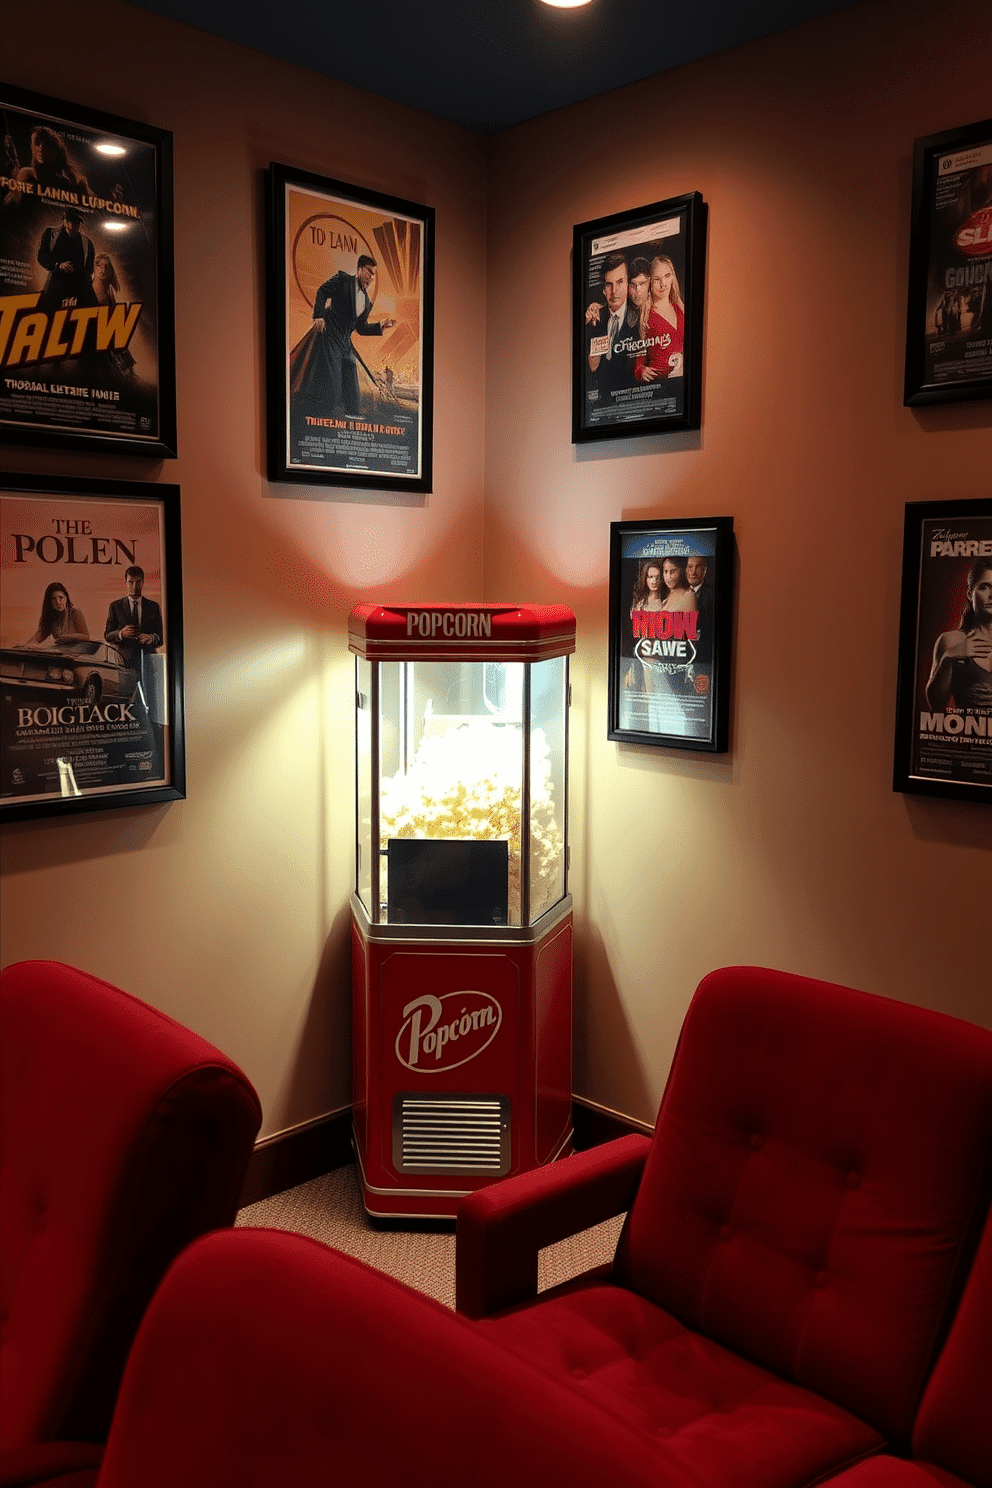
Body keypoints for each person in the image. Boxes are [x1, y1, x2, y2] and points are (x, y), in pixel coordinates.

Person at [295, 254, 396, 417]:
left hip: (345, 341)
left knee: (351, 372)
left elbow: (361, 328)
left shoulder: (367, 302)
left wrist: (380, 326)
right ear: (359, 269)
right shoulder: (343, 280)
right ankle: (325, 414)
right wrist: (319, 316)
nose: (371, 277)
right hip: (330, 333)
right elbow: (322, 291)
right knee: (333, 377)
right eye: (369, 272)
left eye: (373, 275)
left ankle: (352, 412)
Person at [924, 562, 992, 712]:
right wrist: (947, 659)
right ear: (970, 594)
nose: (991, 595)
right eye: (984, 587)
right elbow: (936, 702)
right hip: (966, 732)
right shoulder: (951, 641)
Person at [104, 566, 163, 681]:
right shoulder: (115, 606)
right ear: (126, 582)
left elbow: (162, 636)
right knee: (127, 696)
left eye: (138, 582)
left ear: (143, 583)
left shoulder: (153, 607)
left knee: (149, 696)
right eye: (131, 582)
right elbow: (107, 635)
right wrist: (121, 633)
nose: (134, 586)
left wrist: (152, 638)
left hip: (148, 660)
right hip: (124, 661)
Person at [586, 252, 632, 395]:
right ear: (604, 289)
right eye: (609, 284)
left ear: (628, 283)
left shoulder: (640, 315)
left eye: (620, 282)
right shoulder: (594, 319)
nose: (614, 291)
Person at [635, 255, 685, 382]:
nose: (663, 284)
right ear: (650, 282)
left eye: (667, 276)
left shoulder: (681, 309)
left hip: (683, 383)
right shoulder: (645, 316)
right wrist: (641, 370)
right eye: (657, 279)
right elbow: (638, 363)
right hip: (659, 384)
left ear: (672, 277)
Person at [37, 207, 95, 312]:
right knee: (47, 313)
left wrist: (86, 281)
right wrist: (59, 266)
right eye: (72, 221)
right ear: (65, 221)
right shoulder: (51, 234)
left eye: (77, 223)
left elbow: (89, 269)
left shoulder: (87, 243)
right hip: (57, 283)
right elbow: (42, 257)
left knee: (94, 310)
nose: (74, 226)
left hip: (79, 284)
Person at [686, 553, 714, 666]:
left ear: (705, 570)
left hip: (702, 660)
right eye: (690, 567)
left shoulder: (711, 595)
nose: (693, 572)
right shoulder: (676, 593)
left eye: (698, 567)